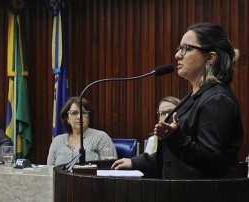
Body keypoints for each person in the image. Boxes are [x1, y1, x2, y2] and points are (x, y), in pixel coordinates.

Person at [111, 22, 243, 179]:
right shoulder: (197, 95)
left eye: (187, 48)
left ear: (210, 58)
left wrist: (174, 138)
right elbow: (174, 158)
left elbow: (211, 159)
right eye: (179, 48)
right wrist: (136, 162)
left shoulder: (217, 99)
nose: (178, 55)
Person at [47, 96, 117, 165]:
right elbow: (49, 170)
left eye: (83, 113)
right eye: (74, 113)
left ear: (89, 117)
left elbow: (110, 166)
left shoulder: (101, 137)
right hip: (61, 177)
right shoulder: (58, 140)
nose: (79, 117)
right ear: (67, 118)